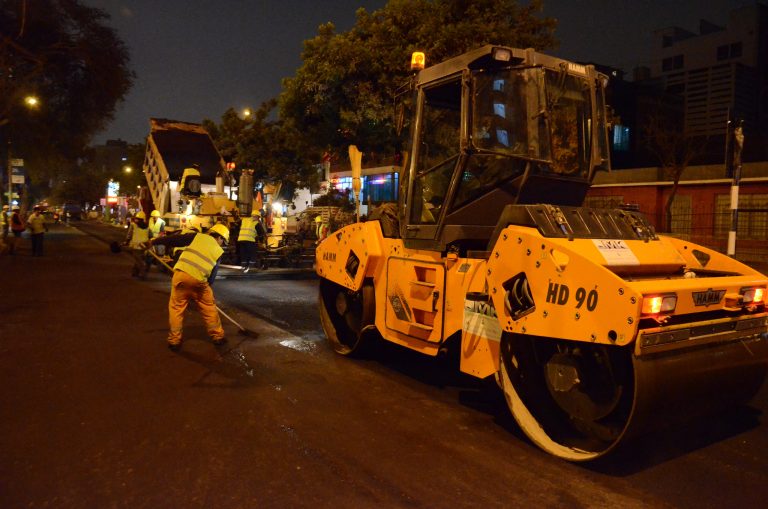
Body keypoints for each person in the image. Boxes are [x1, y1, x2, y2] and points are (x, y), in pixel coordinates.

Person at [155, 223, 230, 350]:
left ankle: (174, 341)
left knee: (176, 308)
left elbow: (174, 240)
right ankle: (218, 337)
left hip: (180, 276)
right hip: (199, 282)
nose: (222, 244)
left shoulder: (197, 237)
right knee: (209, 308)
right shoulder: (218, 251)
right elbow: (211, 277)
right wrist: (203, 291)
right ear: (220, 238)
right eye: (223, 241)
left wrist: (155, 242)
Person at [123, 211, 150, 278]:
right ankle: (134, 272)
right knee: (138, 259)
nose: (135, 219)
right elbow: (150, 235)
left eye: (136, 218)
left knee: (139, 260)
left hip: (136, 246)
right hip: (144, 246)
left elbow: (129, 234)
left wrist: (126, 241)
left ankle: (143, 274)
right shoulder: (147, 227)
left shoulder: (133, 225)